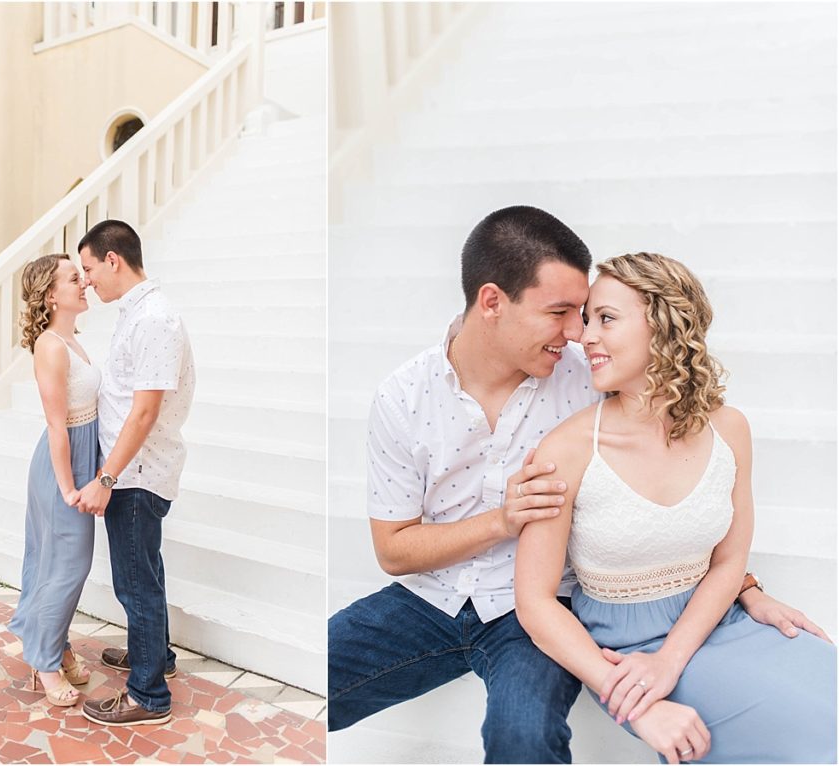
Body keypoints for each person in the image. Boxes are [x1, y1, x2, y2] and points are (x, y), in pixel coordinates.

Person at [327, 207, 829, 763]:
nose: (577, 334)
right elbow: (393, 551)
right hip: (432, 597)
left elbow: (676, 451)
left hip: (536, 614)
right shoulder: (405, 396)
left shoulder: (588, 376)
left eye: (589, 316)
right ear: (491, 303)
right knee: (319, 667)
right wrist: (502, 519)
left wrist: (747, 587)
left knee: (523, 734)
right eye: (563, 313)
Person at [515, 252, 836, 764]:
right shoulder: (568, 450)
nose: (585, 336)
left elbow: (729, 562)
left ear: (662, 324)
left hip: (715, 622)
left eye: (606, 318)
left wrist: (674, 657)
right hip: (626, 650)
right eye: (586, 319)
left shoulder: (729, 429)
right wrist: (644, 684)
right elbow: (534, 602)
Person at [73, 219, 195, 726]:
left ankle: (148, 696)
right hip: (135, 471)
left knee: (135, 585)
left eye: (87, 269)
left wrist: (106, 478)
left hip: (137, 475)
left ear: (113, 260)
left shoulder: (155, 320)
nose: (85, 281)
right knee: (147, 572)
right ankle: (156, 657)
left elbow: (144, 411)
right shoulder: (139, 313)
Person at [8, 254, 99, 707]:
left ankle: (57, 646)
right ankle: (44, 660)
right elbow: (57, 424)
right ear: (50, 294)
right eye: (72, 278)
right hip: (62, 466)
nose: (83, 282)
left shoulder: (72, 339)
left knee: (62, 564)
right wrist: (67, 487)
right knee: (66, 567)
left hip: (82, 459)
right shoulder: (50, 345)